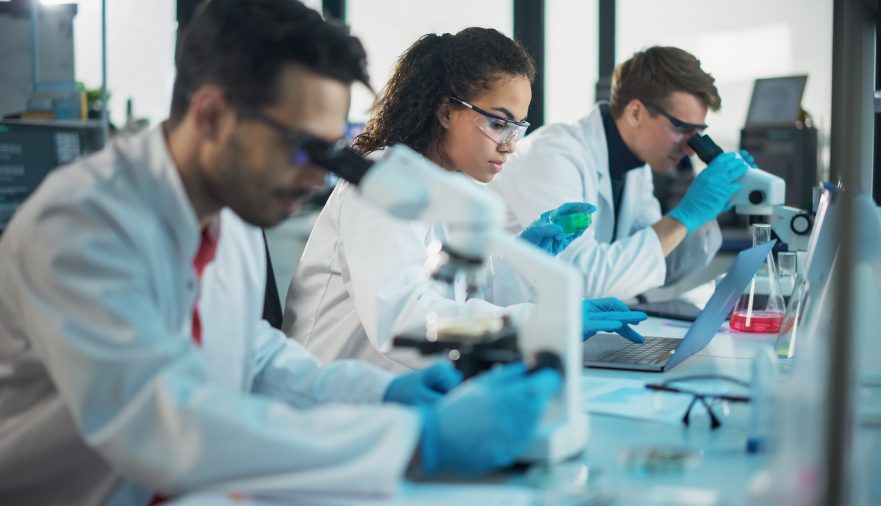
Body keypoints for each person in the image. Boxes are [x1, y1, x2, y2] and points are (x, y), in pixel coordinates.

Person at [0, 2, 565, 504]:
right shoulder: (83, 225)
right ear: (213, 115)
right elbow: (163, 428)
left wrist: (383, 391)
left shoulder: (229, 214)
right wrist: (419, 440)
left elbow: (249, 352)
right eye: (303, 145)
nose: (317, 174)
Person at [282, 28, 646, 374]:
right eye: (498, 123)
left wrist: (524, 260)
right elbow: (403, 320)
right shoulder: (382, 183)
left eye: (518, 127)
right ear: (445, 112)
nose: (510, 144)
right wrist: (546, 323)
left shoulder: (455, 186)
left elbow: (461, 301)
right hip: (332, 404)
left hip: (402, 392)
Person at [489, 46, 752, 301]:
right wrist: (686, 216)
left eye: (697, 135)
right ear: (636, 112)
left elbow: (662, 264)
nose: (690, 149)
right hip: (505, 327)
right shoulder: (553, 155)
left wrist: (707, 212)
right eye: (681, 129)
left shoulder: (636, 167)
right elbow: (581, 280)